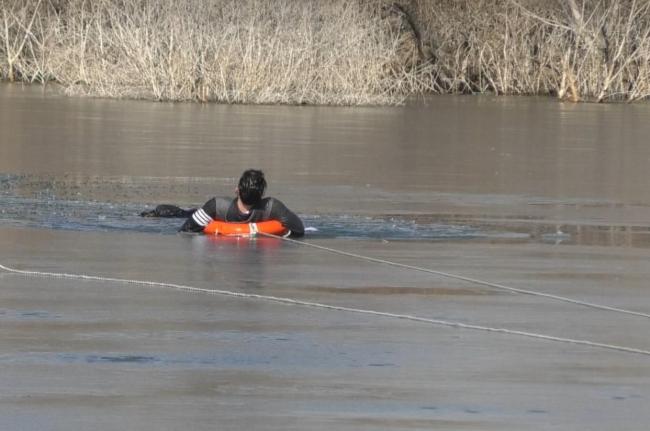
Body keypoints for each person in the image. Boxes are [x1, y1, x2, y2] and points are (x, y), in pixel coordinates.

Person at [141, 169, 304, 237]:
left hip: (212, 218)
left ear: (236, 190)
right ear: (262, 195)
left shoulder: (216, 204)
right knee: (178, 213)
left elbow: (186, 230)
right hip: (208, 218)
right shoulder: (272, 207)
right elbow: (299, 229)